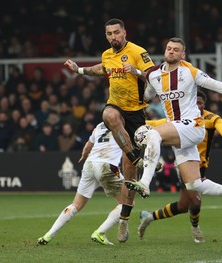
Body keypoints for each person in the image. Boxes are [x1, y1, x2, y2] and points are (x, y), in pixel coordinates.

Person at [125, 38, 222, 206]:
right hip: (178, 131)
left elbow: (217, 85)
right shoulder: (154, 74)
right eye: (169, 48)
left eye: (176, 49)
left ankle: (144, 182)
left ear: (182, 54)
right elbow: (147, 96)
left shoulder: (190, 72)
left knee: (152, 134)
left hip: (192, 125)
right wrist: (133, 82)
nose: (171, 51)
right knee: (194, 183)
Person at [63, 18, 155, 243]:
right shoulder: (107, 55)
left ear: (125, 32)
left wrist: (134, 70)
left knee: (129, 173)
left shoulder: (138, 52)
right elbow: (100, 69)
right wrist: (80, 70)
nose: (113, 37)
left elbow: (154, 75)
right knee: (108, 115)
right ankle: (136, 156)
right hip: (116, 105)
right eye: (109, 34)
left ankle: (123, 220)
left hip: (136, 112)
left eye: (116, 32)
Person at [138, 89, 222, 243]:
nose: (198, 105)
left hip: (201, 166)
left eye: (201, 103)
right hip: (184, 165)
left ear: (204, 104)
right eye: (195, 102)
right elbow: (153, 124)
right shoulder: (179, 120)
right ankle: (195, 229)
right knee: (196, 200)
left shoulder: (211, 118)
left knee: (182, 206)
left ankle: (149, 217)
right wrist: (131, 123)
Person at [37, 122, 124, 246]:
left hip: (90, 163)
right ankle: (100, 232)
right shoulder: (122, 124)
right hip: (107, 165)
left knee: (76, 205)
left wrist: (84, 155)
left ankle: (49, 234)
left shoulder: (100, 125)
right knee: (126, 203)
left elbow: (88, 147)